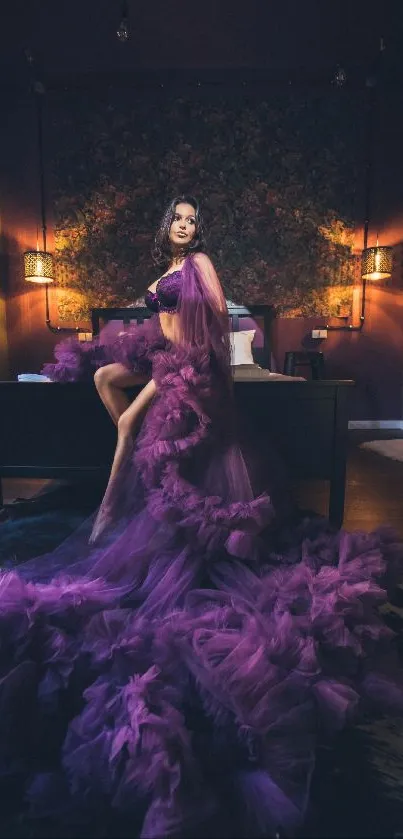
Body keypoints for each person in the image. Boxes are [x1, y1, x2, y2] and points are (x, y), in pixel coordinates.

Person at [1, 194, 403, 839]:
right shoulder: (162, 273)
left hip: (192, 365)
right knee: (106, 379)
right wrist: (143, 343)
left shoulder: (203, 267)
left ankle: (110, 507)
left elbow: (212, 320)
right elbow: (152, 321)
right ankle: (140, 458)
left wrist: (188, 350)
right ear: (167, 226)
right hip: (163, 359)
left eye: (193, 220)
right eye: (179, 219)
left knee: (132, 424)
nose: (186, 227)